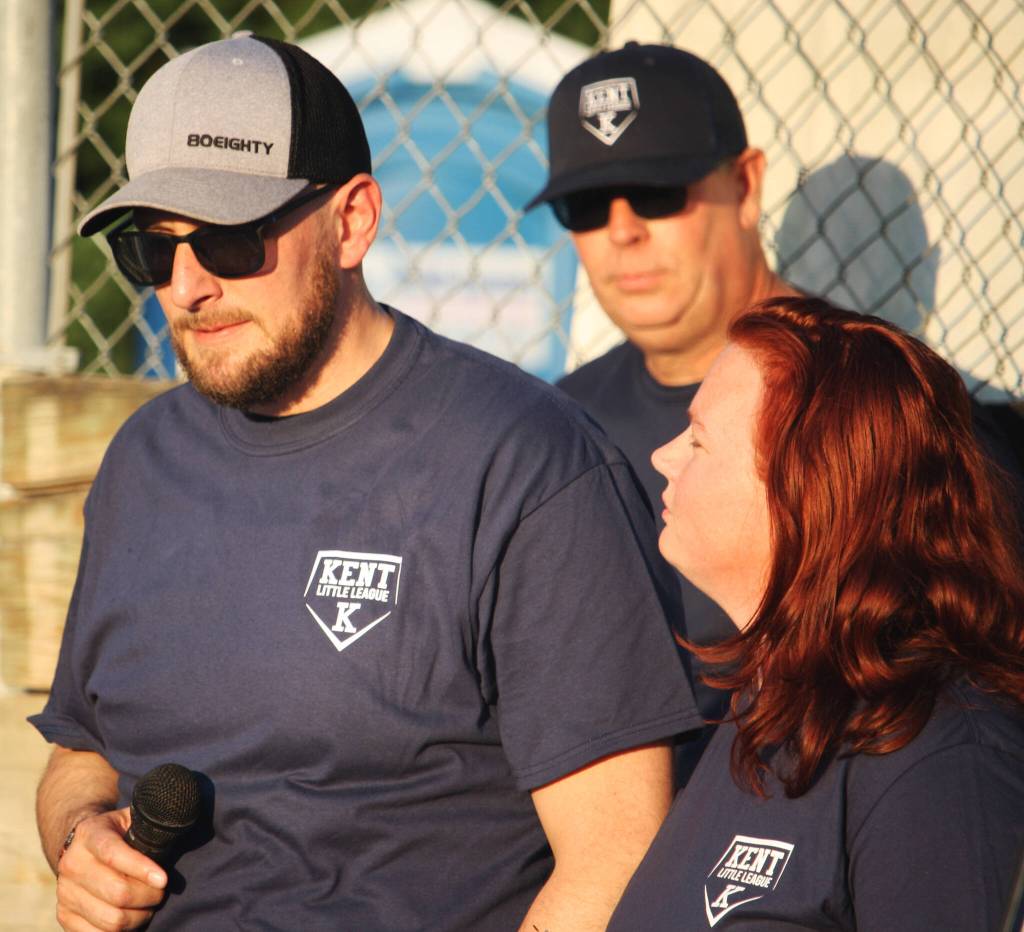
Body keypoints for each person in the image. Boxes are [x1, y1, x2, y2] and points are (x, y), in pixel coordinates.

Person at [30, 36, 703, 932]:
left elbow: (617, 854)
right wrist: (81, 840)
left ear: (352, 221)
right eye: (153, 250)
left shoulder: (523, 463)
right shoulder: (141, 462)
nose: (188, 287)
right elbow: (81, 748)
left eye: (229, 239)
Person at [605, 296, 1024, 931]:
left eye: (697, 438)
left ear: (805, 491)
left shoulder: (942, 756)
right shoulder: (770, 704)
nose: (664, 456)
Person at [526, 42, 802, 772]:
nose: (623, 230)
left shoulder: (866, 402)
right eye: (585, 205)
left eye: (657, 192)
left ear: (745, 187)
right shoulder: (552, 426)